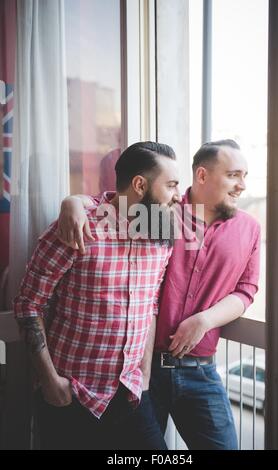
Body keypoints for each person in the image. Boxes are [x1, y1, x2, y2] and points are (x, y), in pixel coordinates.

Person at [57, 139, 260, 450]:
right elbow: (113, 205)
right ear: (202, 176)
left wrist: (204, 321)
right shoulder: (162, 213)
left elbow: (246, 290)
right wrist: (73, 201)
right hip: (143, 373)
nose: (242, 185)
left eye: (245, 175)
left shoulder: (249, 228)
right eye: (234, 175)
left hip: (200, 372)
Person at [14, 141, 182, 450]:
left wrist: (144, 375)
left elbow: (150, 305)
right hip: (72, 396)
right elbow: (28, 304)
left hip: (132, 394)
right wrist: (50, 382)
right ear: (140, 185)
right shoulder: (76, 229)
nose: (178, 195)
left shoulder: (162, 236)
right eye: (171, 185)